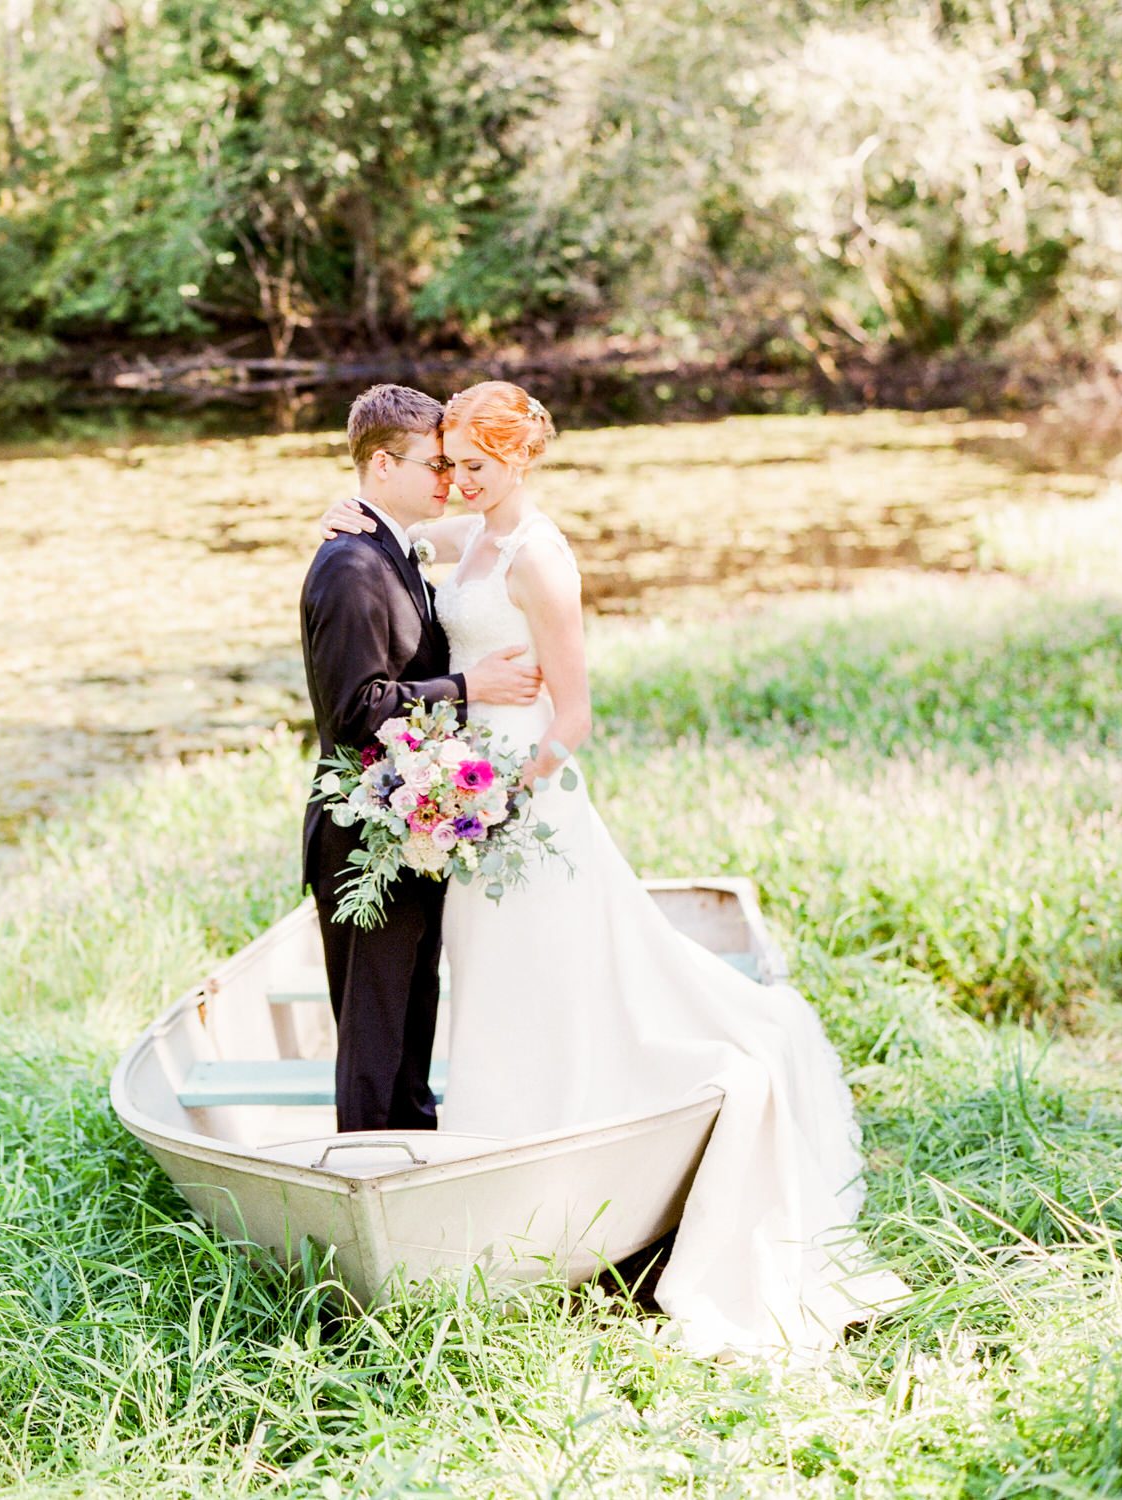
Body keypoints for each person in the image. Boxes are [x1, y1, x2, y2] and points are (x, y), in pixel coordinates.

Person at [318, 381, 905, 1357]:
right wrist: (340, 518)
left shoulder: (542, 557)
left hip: (521, 808)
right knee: (496, 988)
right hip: (465, 809)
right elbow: (391, 555)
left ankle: (569, 1184)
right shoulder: (467, 543)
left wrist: (498, 797)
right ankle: (499, 1184)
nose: (458, 479)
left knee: (547, 973)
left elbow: (571, 716)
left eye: (475, 465)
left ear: (518, 461)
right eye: (449, 463)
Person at [299, 384, 545, 1135]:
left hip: (412, 820)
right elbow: (355, 710)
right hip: (362, 831)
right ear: (381, 465)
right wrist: (471, 688)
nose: (450, 481)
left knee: (409, 1026)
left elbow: (497, 520)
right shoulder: (351, 566)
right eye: (435, 466)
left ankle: (416, 1161)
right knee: (375, 1041)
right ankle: (369, 1180)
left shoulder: (392, 547)